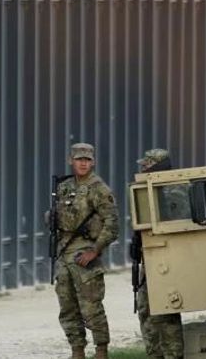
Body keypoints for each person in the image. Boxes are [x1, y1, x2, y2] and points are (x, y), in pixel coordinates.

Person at [53, 143, 119, 359]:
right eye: (79, 159)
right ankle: (77, 350)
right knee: (67, 306)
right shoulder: (64, 186)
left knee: (91, 308)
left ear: (93, 162)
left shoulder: (99, 189)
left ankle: (101, 351)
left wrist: (95, 250)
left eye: (87, 159)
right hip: (64, 252)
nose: (83, 163)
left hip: (85, 253)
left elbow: (112, 224)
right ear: (70, 160)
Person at [132, 149, 185, 359]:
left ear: (156, 166)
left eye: (146, 165)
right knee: (146, 310)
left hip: (166, 259)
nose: (142, 169)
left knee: (166, 312)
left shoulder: (174, 190)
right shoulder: (149, 191)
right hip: (150, 259)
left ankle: (173, 355)